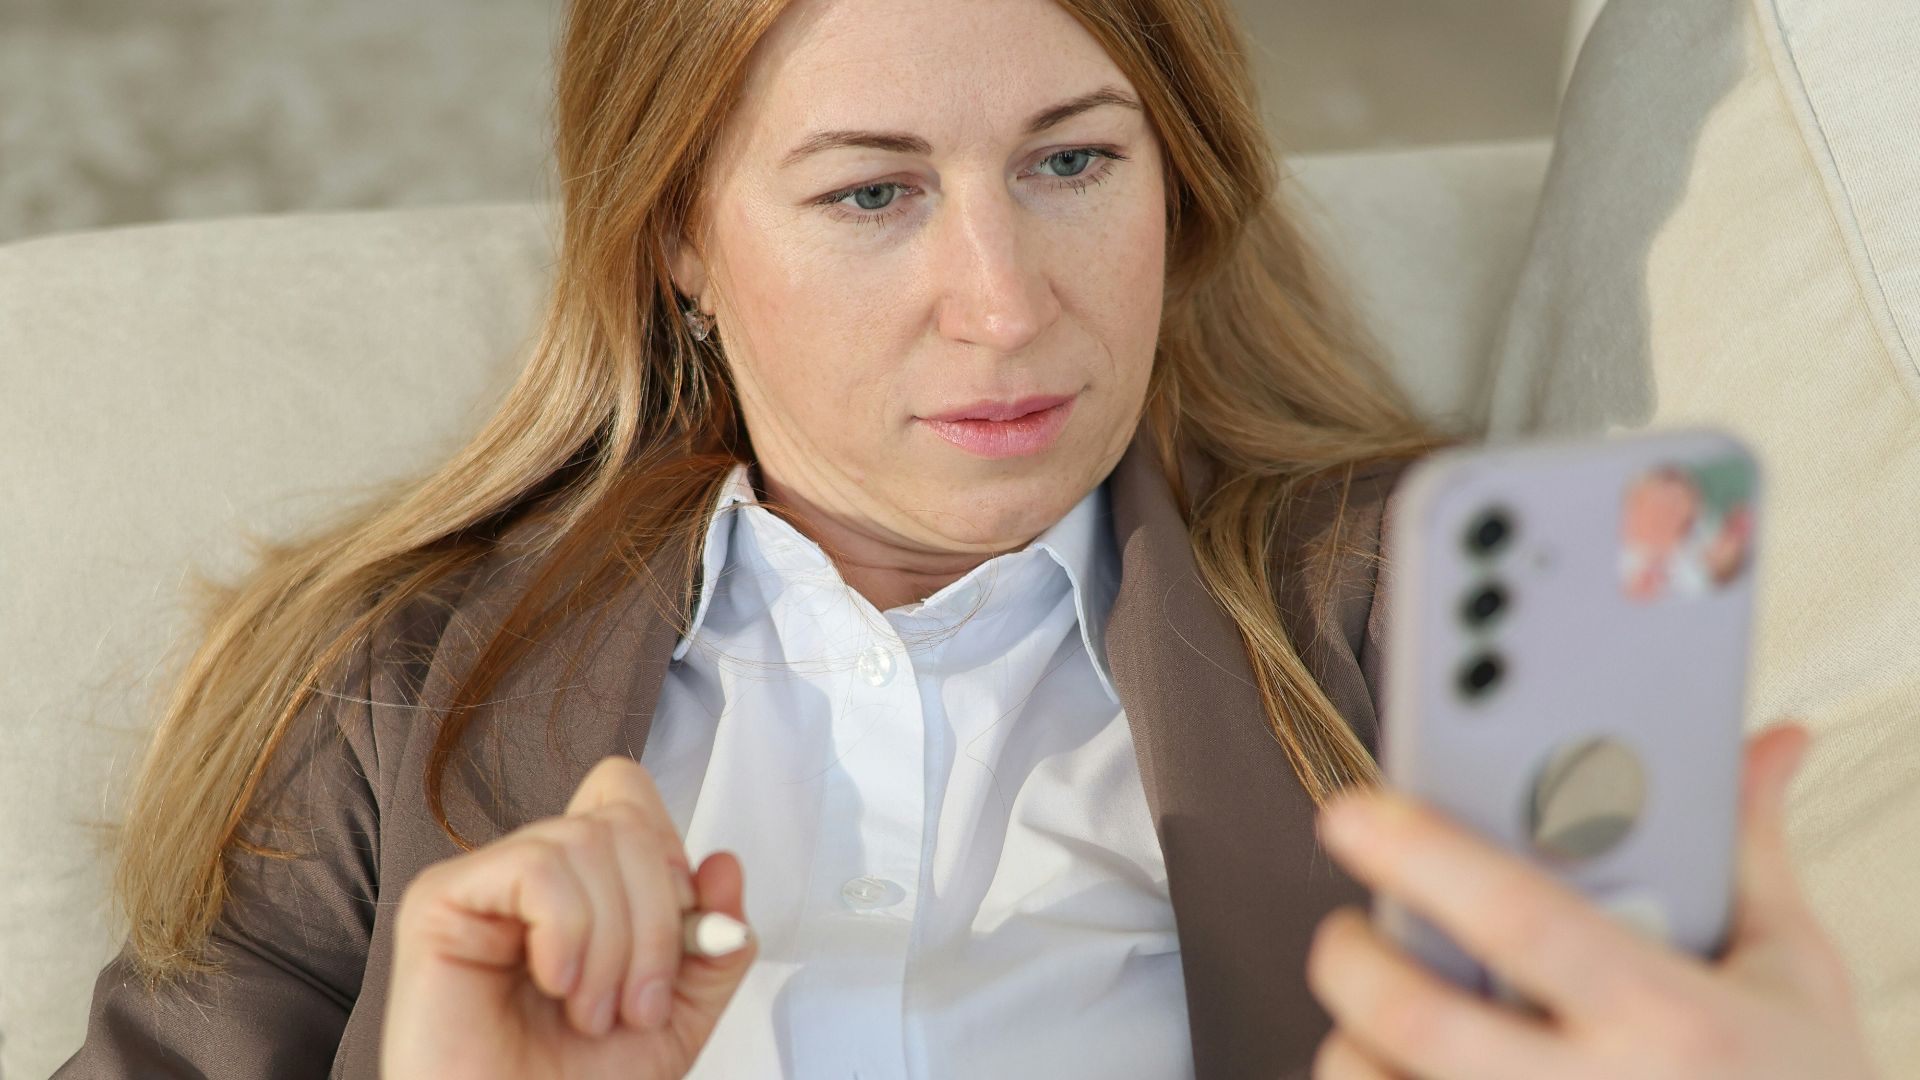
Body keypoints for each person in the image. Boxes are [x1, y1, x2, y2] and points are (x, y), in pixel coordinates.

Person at [54, 0, 1877, 1077]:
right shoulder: (398, 686)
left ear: (1179, 175)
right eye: (871, 192)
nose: (1004, 308)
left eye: (1074, 162)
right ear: (678, 233)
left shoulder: (1427, 608)